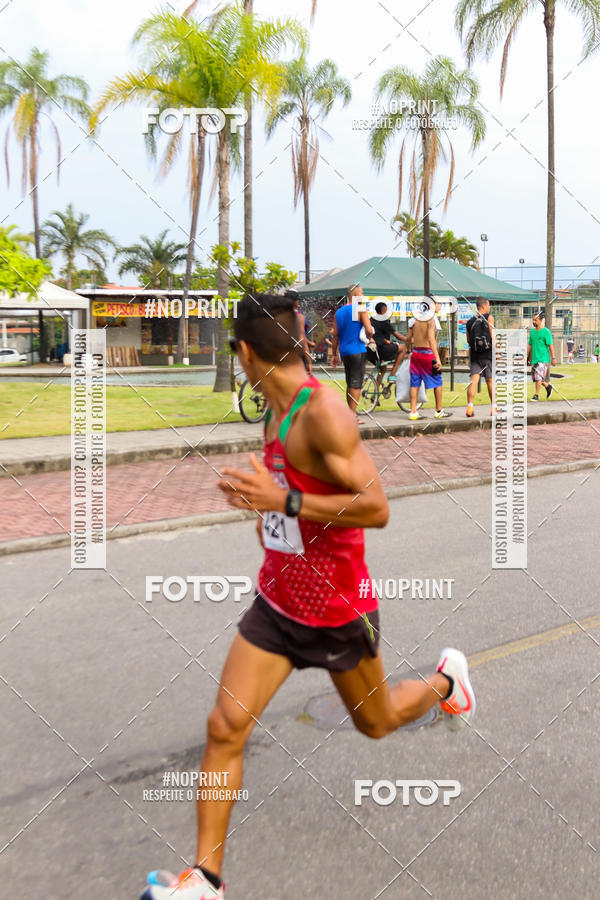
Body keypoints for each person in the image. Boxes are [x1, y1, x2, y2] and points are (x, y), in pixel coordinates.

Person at [140, 294, 476, 900]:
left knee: (376, 724)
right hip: (277, 604)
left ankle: (447, 684)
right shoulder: (274, 410)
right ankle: (205, 881)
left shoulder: (322, 412)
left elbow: (375, 508)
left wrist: (283, 501)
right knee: (224, 728)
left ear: (242, 353)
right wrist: (262, 500)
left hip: (338, 610)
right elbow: (286, 508)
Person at [331, 285, 374, 420]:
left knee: (350, 383)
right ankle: (352, 416)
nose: (363, 295)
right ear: (356, 295)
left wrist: (333, 355)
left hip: (344, 352)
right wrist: (369, 337)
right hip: (357, 350)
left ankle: (349, 413)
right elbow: (369, 329)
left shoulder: (339, 312)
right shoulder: (360, 308)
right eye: (362, 292)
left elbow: (336, 335)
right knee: (356, 384)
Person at [406, 306, 452, 421]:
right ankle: (438, 410)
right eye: (437, 303)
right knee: (438, 382)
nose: (439, 305)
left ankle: (413, 412)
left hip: (415, 354)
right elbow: (431, 339)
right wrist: (437, 358)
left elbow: (408, 338)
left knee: (414, 383)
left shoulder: (415, 320)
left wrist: (408, 351)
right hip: (427, 354)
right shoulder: (430, 319)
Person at [465, 298, 496, 418]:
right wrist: (497, 353)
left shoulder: (470, 321)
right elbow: (493, 337)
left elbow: (468, 340)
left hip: (474, 355)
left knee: (473, 381)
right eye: (489, 305)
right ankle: (493, 408)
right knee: (490, 381)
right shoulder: (489, 317)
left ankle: (470, 407)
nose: (489, 307)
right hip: (488, 355)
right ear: (484, 305)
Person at [366, 301, 407, 388]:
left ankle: (375, 395)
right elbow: (397, 335)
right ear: (383, 311)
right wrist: (410, 340)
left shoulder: (371, 320)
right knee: (403, 348)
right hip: (381, 350)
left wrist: (384, 340)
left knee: (383, 369)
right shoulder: (383, 321)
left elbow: (375, 334)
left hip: (371, 351)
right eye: (386, 310)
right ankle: (392, 375)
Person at [528, 313, 556, 400]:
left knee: (538, 377)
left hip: (543, 359)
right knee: (536, 378)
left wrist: (553, 358)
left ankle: (536, 395)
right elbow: (530, 345)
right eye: (533, 320)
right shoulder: (532, 332)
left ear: (541, 320)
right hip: (535, 359)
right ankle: (548, 386)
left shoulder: (546, 332)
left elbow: (550, 346)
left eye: (535, 320)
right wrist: (525, 355)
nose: (533, 321)